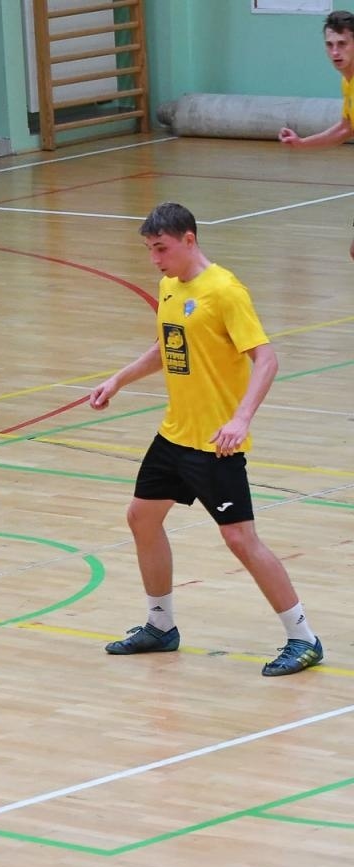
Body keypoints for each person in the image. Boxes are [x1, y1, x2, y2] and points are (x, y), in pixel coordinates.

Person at [88, 202, 324, 677]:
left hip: (216, 444)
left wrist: (240, 419)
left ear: (189, 240)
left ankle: (304, 638)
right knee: (141, 517)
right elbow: (167, 347)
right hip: (175, 434)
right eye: (150, 250)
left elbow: (267, 359)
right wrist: (118, 380)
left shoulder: (224, 291)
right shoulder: (170, 287)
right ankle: (160, 626)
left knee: (240, 539)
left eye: (161, 249)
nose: (155, 259)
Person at [279, 10, 354, 260]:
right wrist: (301, 143)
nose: (335, 52)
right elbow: (346, 128)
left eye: (342, 44)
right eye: (330, 45)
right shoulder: (347, 82)